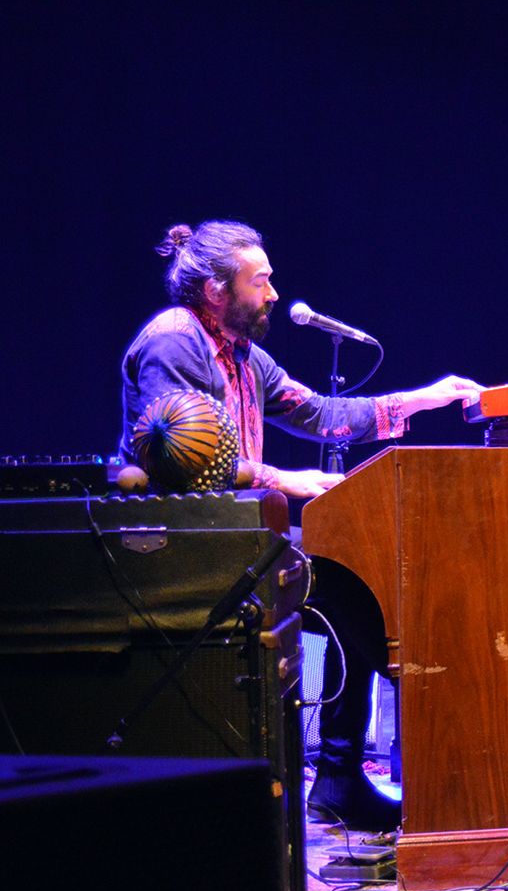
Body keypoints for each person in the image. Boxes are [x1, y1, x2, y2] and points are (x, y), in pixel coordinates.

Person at [119, 219, 482, 830]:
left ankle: (343, 775)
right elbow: (182, 460)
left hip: (241, 542)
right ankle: (397, 762)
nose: (273, 294)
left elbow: (321, 413)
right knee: (358, 594)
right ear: (215, 289)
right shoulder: (173, 342)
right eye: (260, 281)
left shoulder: (242, 356)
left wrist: (423, 398)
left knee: (362, 584)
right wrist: (281, 479)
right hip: (186, 549)